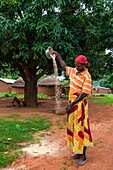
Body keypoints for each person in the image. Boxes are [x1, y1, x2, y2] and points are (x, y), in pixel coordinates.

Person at [52, 51, 93, 166]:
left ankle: (84, 156)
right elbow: (64, 67)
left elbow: (84, 93)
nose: (76, 66)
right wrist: (58, 56)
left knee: (81, 129)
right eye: (75, 64)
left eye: (79, 65)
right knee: (73, 127)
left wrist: (72, 104)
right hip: (72, 104)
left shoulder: (87, 76)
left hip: (80, 105)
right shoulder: (74, 71)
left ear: (84, 65)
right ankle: (78, 152)